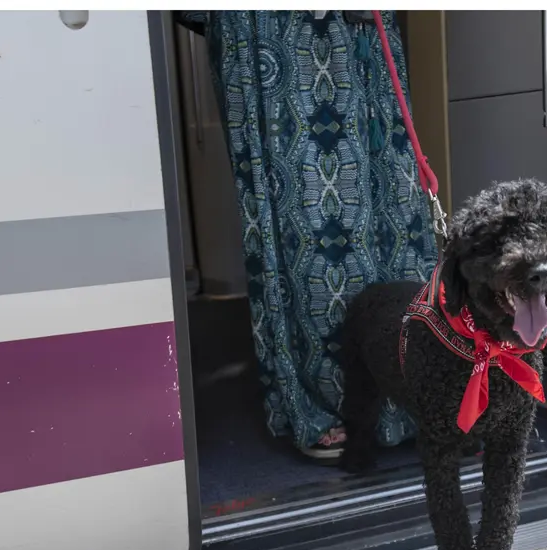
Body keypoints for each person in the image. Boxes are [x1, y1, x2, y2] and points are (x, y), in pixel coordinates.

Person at [177, 11, 439, 461]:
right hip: (271, 29)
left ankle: (416, 394)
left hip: (359, 28)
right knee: (311, 212)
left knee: (394, 198)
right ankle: (332, 404)